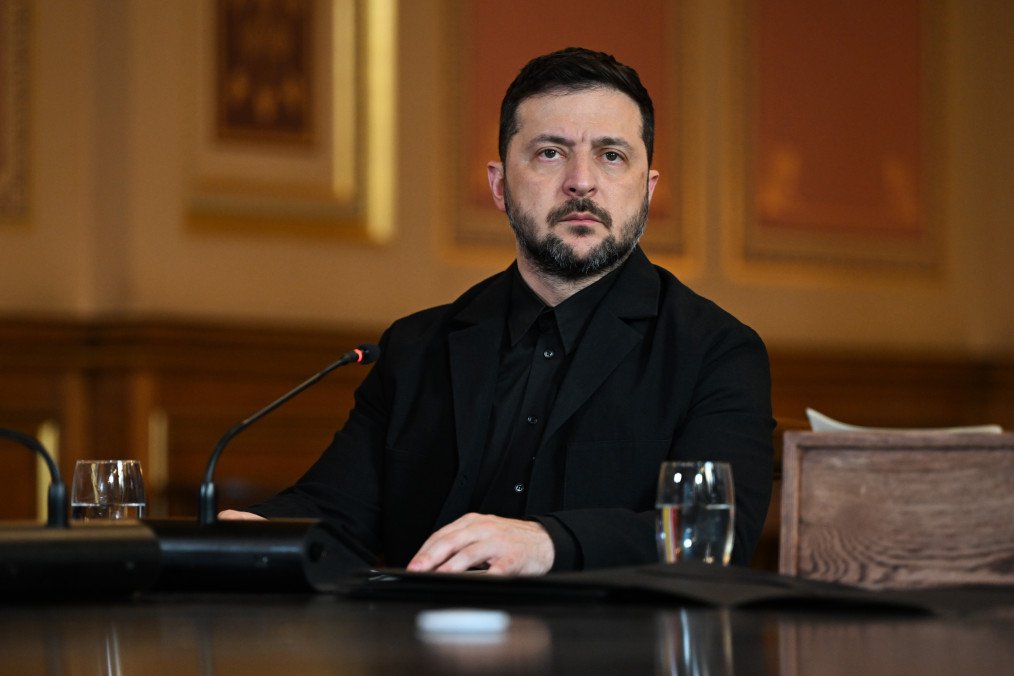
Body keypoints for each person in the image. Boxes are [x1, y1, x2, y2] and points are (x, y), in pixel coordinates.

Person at [221, 47, 774, 576]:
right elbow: (336, 515)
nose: (581, 181)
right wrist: (253, 532)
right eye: (550, 152)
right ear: (500, 186)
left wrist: (548, 544)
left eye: (611, 155)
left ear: (647, 189)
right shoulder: (417, 349)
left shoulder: (716, 353)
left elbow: (710, 541)